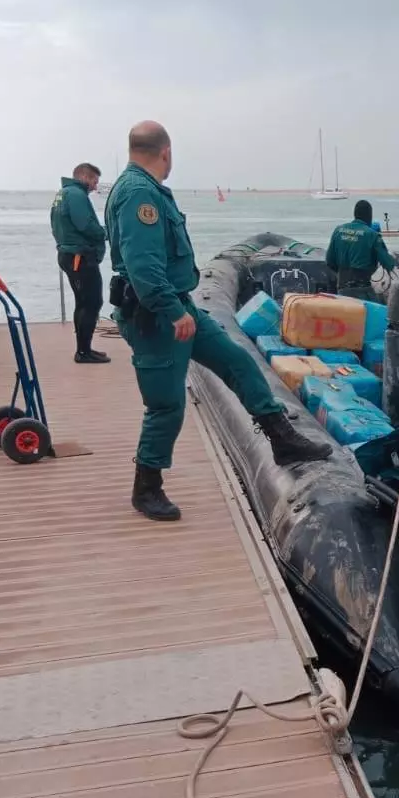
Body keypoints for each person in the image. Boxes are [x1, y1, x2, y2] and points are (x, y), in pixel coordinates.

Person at [106, 120, 330, 522]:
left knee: (237, 360)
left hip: (178, 305)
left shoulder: (143, 189)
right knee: (166, 406)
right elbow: (142, 265)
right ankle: (147, 486)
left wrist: (181, 308)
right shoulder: (139, 194)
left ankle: (283, 439)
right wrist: (173, 312)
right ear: (166, 152)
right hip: (156, 317)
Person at [50, 162, 110, 363]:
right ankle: (83, 352)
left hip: (69, 254)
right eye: (94, 180)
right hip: (79, 257)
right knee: (91, 302)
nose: (95, 186)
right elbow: (86, 224)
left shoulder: (62, 194)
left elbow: (55, 224)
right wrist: (106, 233)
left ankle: (85, 348)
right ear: (84, 176)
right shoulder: (76, 195)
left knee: (83, 302)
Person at [325, 199, 398, 300]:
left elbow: (329, 261)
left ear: (355, 214)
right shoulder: (372, 235)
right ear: (370, 216)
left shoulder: (338, 230)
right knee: (381, 308)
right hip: (362, 290)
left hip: (342, 289)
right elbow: (388, 263)